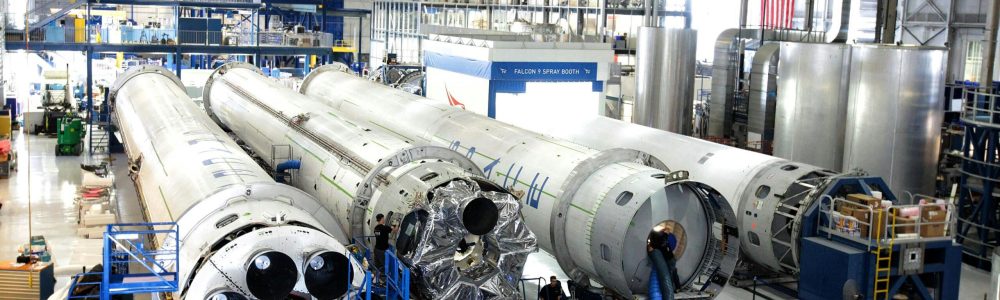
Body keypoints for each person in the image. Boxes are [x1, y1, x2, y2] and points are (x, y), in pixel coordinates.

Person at [372, 214, 395, 283]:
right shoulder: (384, 228)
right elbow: (394, 230)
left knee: (377, 265)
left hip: (376, 249)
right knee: (385, 265)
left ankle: (376, 278)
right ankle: (382, 280)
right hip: (382, 250)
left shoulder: (376, 228)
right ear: (382, 219)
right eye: (383, 218)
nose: (384, 219)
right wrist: (397, 225)